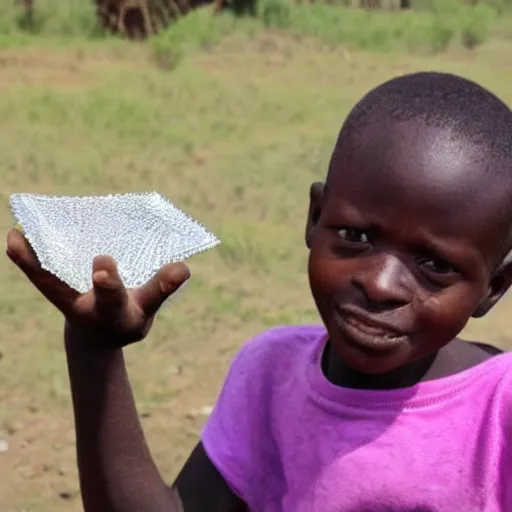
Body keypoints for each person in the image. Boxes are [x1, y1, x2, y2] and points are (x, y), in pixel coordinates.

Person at [7, 71, 512, 512]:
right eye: (356, 236)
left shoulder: (498, 412)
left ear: (493, 287)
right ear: (315, 218)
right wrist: (95, 351)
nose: (380, 285)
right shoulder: (270, 375)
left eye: (434, 266)